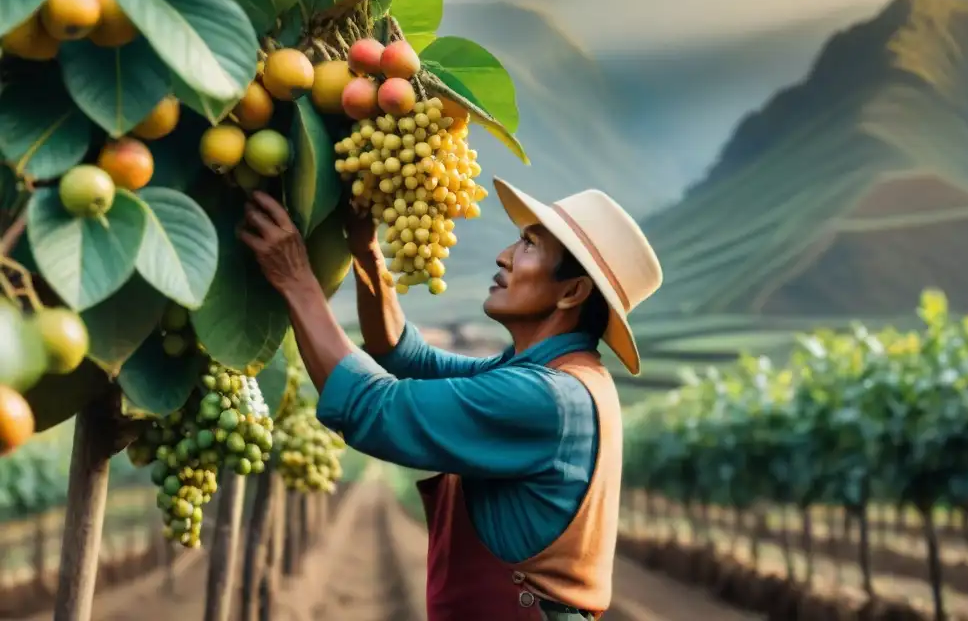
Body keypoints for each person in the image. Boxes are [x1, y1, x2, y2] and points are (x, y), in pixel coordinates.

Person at [239, 178, 663, 621]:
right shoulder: (555, 377)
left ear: (572, 292)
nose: (504, 256)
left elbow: (372, 407)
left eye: (529, 244)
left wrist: (296, 281)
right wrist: (366, 250)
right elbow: (403, 354)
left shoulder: (547, 399)